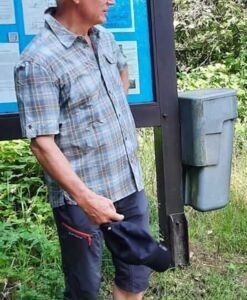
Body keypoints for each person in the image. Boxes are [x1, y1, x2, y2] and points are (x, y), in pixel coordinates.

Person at [14, 0, 151, 299]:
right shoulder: (39, 61)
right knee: (84, 289)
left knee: (135, 274)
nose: (111, 1)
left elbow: (122, 70)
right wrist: (85, 198)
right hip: (80, 199)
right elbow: (42, 143)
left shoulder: (104, 38)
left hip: (127, 181)